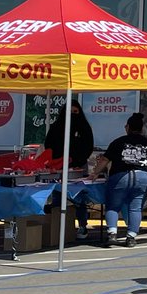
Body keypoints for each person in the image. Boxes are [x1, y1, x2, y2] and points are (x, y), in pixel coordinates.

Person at [98, 113, 147, 247]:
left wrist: (94, 174)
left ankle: (112, 234)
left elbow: (104, 160)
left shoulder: (118, 142)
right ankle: (131, 237)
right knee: (135, 208)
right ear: (142, 129)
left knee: (113, 206)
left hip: (120, 177)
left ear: (127, 127)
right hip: (143, 177)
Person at [45, 100, 95, 239]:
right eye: (70, 112)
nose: (73, 115)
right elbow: (49, 145)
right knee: (57, 195)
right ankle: (56, 227)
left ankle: (82, 225)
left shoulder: (84, 127)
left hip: (78, 166)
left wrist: (78, 161)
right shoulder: (56, 127)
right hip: (59, 165)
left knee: (79, 197)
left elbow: (88, 146)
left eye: (75, 112)